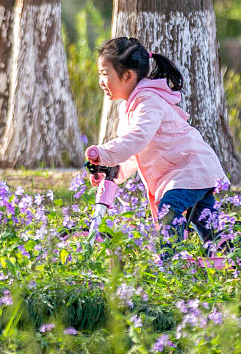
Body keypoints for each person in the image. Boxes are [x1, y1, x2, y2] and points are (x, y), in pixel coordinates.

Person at [84, 36, 226, 255]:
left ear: (128, 75)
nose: (101, 81)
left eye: (105, 74)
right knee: (213, 237)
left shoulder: (149, 102)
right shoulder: (130, 107)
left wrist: (104, 153)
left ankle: (169, 265)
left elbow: (137, 139)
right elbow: (134, 153)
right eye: (99, 75)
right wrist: (111, 171)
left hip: (190, 170)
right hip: (188, 173)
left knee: (169, 212)